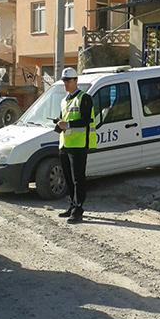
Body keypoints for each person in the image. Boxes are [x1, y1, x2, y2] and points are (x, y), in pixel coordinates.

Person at [55, 68, 97, 223]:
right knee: (68, 178)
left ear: (75, 81)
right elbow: (63, 118)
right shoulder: (64, 100)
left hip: (79, 145)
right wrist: (59, 124)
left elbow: (86, 120)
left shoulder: (84, 98)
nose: (65, 84)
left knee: (78, 179)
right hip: (65, 144)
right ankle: (72, 206)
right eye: (64, 81)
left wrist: (68, 124)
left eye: (68, 81)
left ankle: (78, 210)